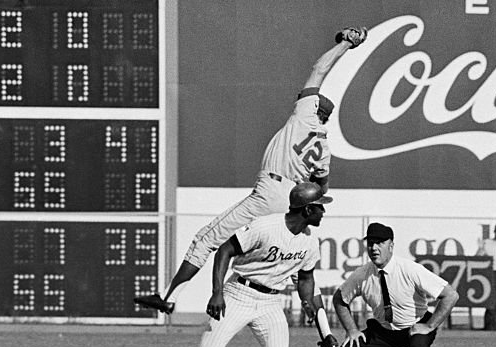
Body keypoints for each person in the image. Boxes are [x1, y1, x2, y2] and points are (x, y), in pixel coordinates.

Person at [135, 28, 368, 315]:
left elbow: (319, 69)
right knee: (299, 266)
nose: (299, 99)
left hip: (271, 190)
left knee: (207, 239)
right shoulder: (325, 149)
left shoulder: (305, 114)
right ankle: (324, 331)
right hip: (295, 199)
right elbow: (322, 190)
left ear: (314, 107)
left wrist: (346, 43)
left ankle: (170, 297)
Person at [179, 182, 333, 347]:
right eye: (319, 207)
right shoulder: (266, 226)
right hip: (239, 292)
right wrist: (217, 293)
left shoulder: (310, 243)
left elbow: (306, 279)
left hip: (271, 301)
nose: (323, 212)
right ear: (306, 210)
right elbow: (224, 250)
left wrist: (316, 318)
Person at [325, 223, 459, 347]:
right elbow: (339, 299)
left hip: (416, 326)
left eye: (380, 242)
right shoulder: (362, 274)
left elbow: (450, 295)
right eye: (370, 243)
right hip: (383, 331)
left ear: (391, 245)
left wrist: (430, 326)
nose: (374, 248)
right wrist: (351, 330)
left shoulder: (410, 269)